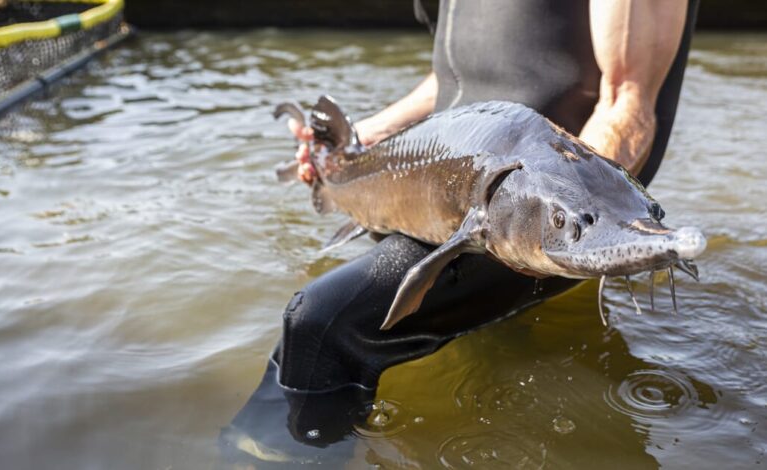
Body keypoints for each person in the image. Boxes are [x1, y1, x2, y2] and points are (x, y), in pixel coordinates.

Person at [222, 0, 700, 464]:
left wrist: (579, 211)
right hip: (444, 177)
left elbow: (629, 98)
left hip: (525, 216)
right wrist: (356, 144)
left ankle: (269, 458)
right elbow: (452, 76)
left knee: (318, 322)